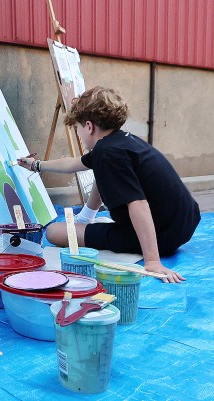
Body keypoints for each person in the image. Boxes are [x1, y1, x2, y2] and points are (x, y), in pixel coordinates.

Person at [18, 86, 200, 283]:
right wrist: (36, 165)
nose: (78, 134)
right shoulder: (119, 142)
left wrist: (153, 260)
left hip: (164, 236)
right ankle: (87, 216)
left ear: (89, 126)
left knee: (54, 232)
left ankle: (146, 250)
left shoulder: (108, 153)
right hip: (184, 223)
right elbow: (73, 164)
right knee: (99, 175)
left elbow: (138, 204)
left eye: (77, 129)